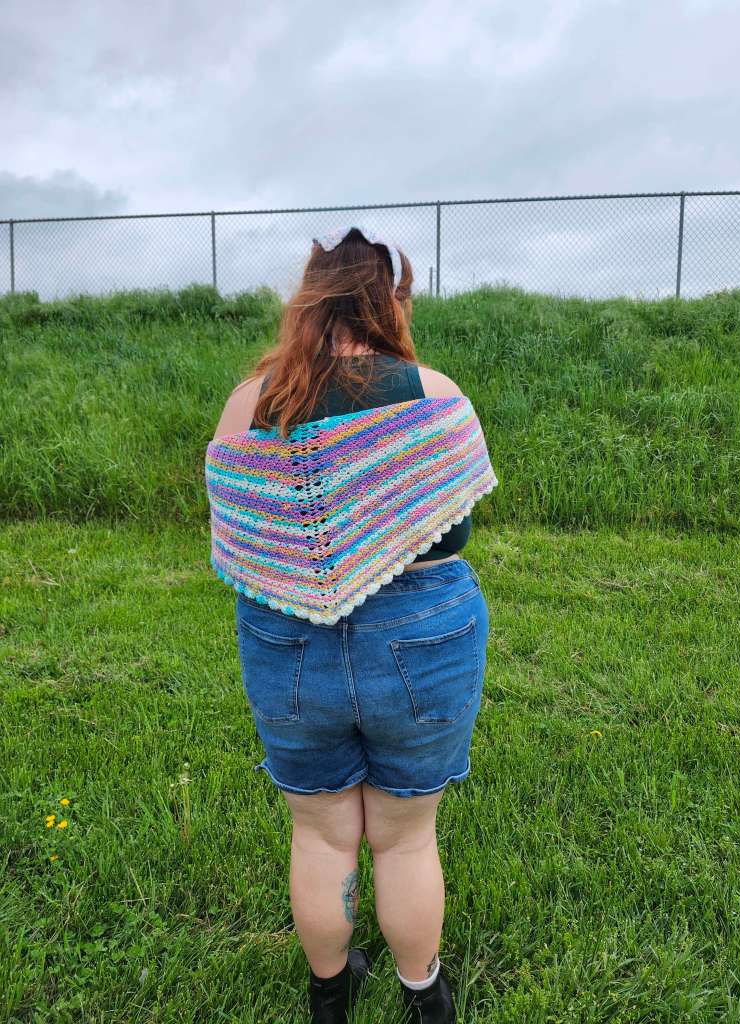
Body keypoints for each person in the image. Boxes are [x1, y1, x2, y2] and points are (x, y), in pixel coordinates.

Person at [211, 226, 493, 1024]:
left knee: (321, 836)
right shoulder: (431, 392)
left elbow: (240, 532)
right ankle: (424, 997)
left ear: (309, 300)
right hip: (422, 636)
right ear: (391, 300)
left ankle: (329, 998)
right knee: (405, 838)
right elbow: (455, 531)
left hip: (288, 641)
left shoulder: (250, 403)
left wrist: (317, 564)